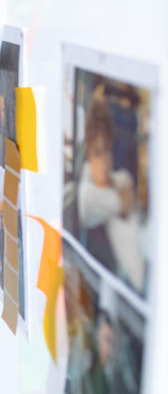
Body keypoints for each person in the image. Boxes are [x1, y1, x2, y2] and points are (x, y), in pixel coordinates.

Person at [77, 89, 145, 293]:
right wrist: (121, 197)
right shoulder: (87, 195)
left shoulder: (120, 177)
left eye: (107, 151)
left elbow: (128, 189)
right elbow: (123, 200)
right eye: (98, 153)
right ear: (88, 154)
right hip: (126, 287)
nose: (104, 163)